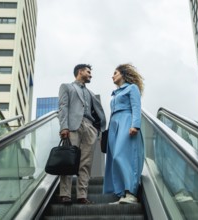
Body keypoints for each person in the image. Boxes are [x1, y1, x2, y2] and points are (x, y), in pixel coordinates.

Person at [58, 64, 106, 204]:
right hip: (72, 127)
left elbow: (98, 111)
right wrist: (63, 127)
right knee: (68, 160)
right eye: (88, 72)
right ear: (80, 72)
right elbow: (63, 107)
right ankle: (65, 194)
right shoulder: (67, 87)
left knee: (86, 163)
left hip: (89, 128)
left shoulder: (90, 93)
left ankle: (82, 195)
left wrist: (97, 129)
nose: (90, 75)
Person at [103, 63, 144, 204]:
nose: (112, 76)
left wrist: (135, 125)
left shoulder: (132, 88)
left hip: (126, 122)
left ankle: (131, 192)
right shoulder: (116, 93)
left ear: (123, 74)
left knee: (123, 156)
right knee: (115, 158)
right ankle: (122, 194)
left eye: (115, 72)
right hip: (114, 126)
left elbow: (136, 107)